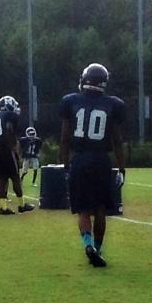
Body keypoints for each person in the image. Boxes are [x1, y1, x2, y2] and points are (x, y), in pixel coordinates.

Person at [59, 63, 127, 268]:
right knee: (100, 209)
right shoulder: (113, 104)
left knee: (82, 209)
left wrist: (65, 165)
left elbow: (64, 139)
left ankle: (88, 245)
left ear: (85, 80)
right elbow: (117, 140)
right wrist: (122, 168)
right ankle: (97, 248)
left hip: (80, 159)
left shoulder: (70, 101)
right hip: (101, 161)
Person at [0, 96, 36, 216]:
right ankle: (21, 205)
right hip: (6, 150)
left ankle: (4, 207)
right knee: (15, 177)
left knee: (2, 179)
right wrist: (13, 145)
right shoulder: (9, 116)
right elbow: (9, 128)